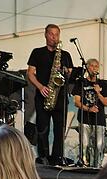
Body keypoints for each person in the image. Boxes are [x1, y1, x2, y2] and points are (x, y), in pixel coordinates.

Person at [27, 24, 74, 165]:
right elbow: (30, 73)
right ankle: (43, 157)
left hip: (60, 97)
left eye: (57, 35)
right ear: (46, 35)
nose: (54, 37)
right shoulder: (37, 52)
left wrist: (65, 70)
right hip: (43, 95)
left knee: (60, 130)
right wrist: (41, 87)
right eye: (51, 34)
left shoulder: (65, 55)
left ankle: (57, 157)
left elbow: (70, 74)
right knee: (43, 129)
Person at [72, 59, 107, 167]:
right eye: (92, 66)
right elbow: (76, 102)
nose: (94, 68)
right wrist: (88, 109)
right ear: (87, 68)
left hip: (99, 119)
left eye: (96, 66)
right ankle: (84, 165)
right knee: (84, 145)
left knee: (99, 146)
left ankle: (98, 166)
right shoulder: (81, 82)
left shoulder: (103, 84)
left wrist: (98, 93)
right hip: (85, 118)